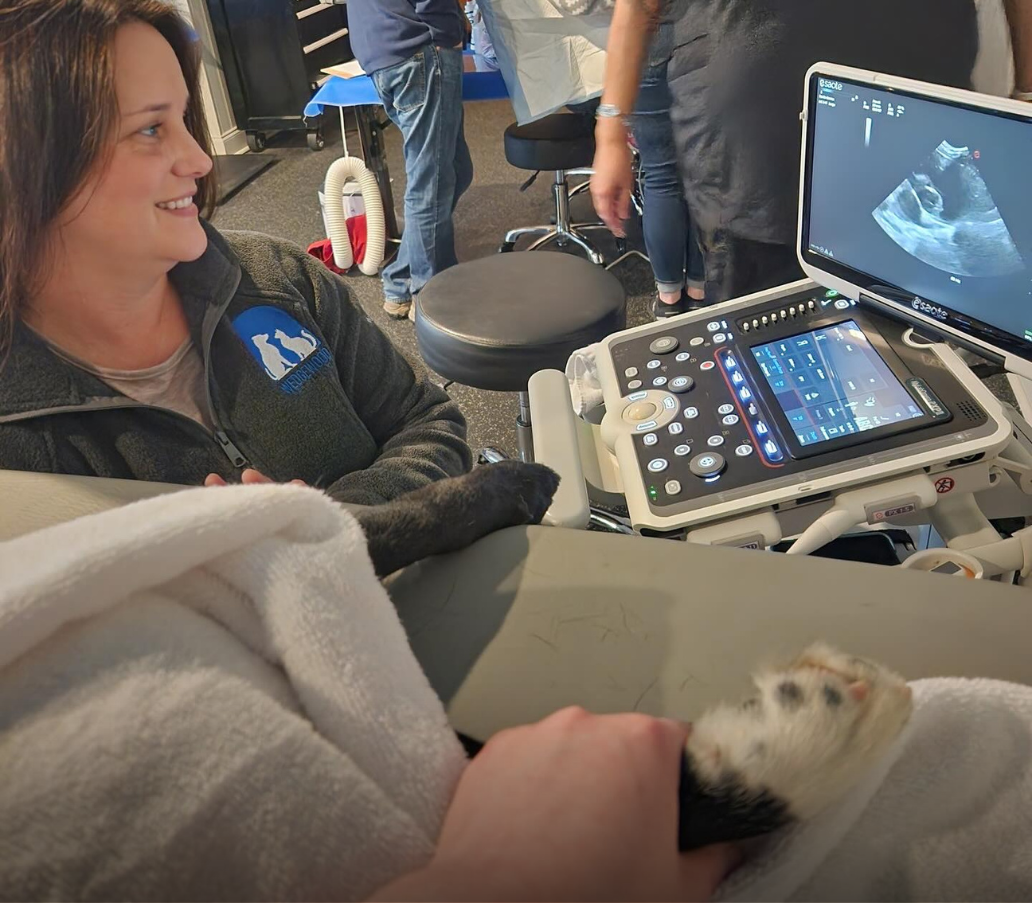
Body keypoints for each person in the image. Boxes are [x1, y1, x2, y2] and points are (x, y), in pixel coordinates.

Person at [0, 0, 472, 506]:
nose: (200, 160)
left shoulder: (278, 278)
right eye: (150, 129)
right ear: (28, 166)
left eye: (184, 119)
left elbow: (427, 420)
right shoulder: (16, 436)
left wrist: (335, 523)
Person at [592, 0, 1029, 304]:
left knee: (923, 334)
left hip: (917, 104)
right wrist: (610, 131)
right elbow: (638, 5)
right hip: (765, 131)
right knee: (773, 336)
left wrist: (1027, 89)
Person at [347, 0, 475, 320]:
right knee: (430, 183)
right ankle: (431, 297)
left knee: (455, 170)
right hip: (418, 49)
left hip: (383, 49)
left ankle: (401, 279)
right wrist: (448, 32)